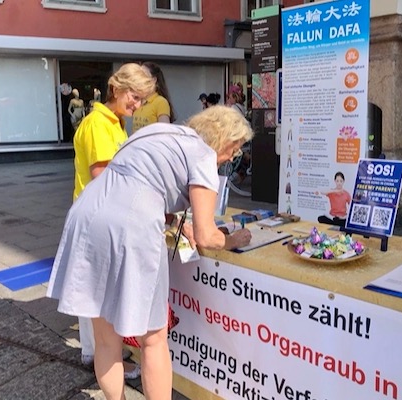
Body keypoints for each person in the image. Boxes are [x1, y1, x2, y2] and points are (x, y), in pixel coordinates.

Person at [47, 105, 253, 400]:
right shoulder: (203, 155)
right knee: (154, 339)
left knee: (106, 341)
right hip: (132, 226)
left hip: (88, 214)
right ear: (225, 139)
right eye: (235, 148)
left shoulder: (158, 133)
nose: (233, 156)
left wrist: (175, 223)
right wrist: (232, 240)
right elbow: (208, 235)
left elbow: (140, 181)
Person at [72, 62, 155, 380]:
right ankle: (104, 357)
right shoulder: (99, 123)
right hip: (99, 220)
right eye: (134, 96)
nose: (137, 105)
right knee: (101, 301)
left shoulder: (115, 122)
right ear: (116, 88)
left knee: (95, 297)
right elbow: (102, 178)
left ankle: (99, 352)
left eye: (142, 100)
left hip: (100, 217)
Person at [132, 62, 176, 133]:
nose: (140, 79)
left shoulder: (160, 102)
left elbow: (164, 132)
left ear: (154, 80)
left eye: (144, 75)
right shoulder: (137, 102)